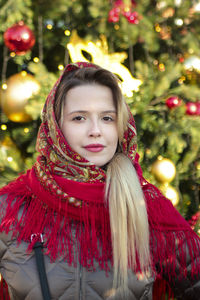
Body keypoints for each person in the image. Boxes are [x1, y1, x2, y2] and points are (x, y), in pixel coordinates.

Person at [0, 62, 199, 300]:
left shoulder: (147, 207)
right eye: (79, 118)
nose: (95, 130)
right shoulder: (11, 208)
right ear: (56, 126)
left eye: (106, 118)